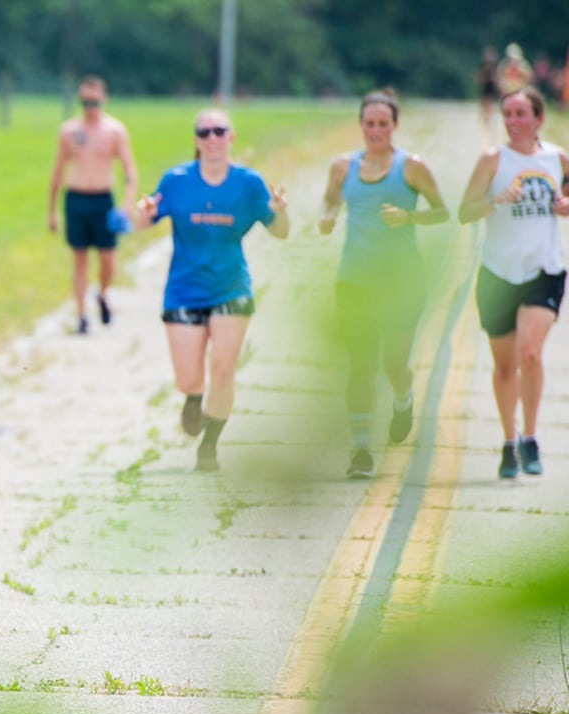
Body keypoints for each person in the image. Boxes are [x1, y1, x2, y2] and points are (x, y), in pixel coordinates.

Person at [136, 107, 290, 471]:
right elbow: (143, 221)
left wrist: (280, 211)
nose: (212, 139)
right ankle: (193, 397)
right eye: (204, 133)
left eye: (219, 131)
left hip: (231, 288)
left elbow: (281, 231)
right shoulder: (176, 181)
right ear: (196, 141)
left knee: (223, 368)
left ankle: (210, 446)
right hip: (184, 290)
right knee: (190, 377)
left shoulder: (249, 183)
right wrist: (141, 213)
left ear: (231, 137)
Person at [318, 90, 449, 478]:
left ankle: (403, 397)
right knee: (360, 364)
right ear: (360, 125)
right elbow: (329, 203)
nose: (375, 131)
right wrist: (327, 219)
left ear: (395, 125)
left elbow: (441, 213)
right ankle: (361, 450)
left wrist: (410, 217)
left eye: (383, 124)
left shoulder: (411, 167)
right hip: (354, 279)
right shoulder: (342, 167)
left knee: (393, 363)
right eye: (369, 123)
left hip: (401, 281)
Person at [457, 86, 569, 478]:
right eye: (508, 114)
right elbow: (464, 212)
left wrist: (565, 207)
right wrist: (497, 199)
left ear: (539, 118)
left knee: (530, 354)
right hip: (498, 274)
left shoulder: (557, 158)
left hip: (544, 269)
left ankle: (531, 437)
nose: (513, 121)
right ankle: (508, 441)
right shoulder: (492, 160)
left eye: (522, 114)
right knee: (505, 365)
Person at [47, 75, 138, 333]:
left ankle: (103, 293)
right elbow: (57, 171)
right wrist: (51, 211)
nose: (90, 108)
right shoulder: (68, 131)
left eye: (94, 102)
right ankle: (81, 314)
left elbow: (129, 170)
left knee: (108, 259)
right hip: (75, 198)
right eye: (85, 102)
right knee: (79, 259)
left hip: (103, 200)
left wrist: (127, 202)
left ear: (103, 99)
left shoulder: (115, 131)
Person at [476, 47, 500, 127]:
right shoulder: (482, 66)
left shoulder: (495, 66)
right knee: (485, 103)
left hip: (491, 87)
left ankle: (490, 119)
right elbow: (479, 76)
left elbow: (497, 77)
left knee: (491, 103)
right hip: (485, 87)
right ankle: (485, 119)